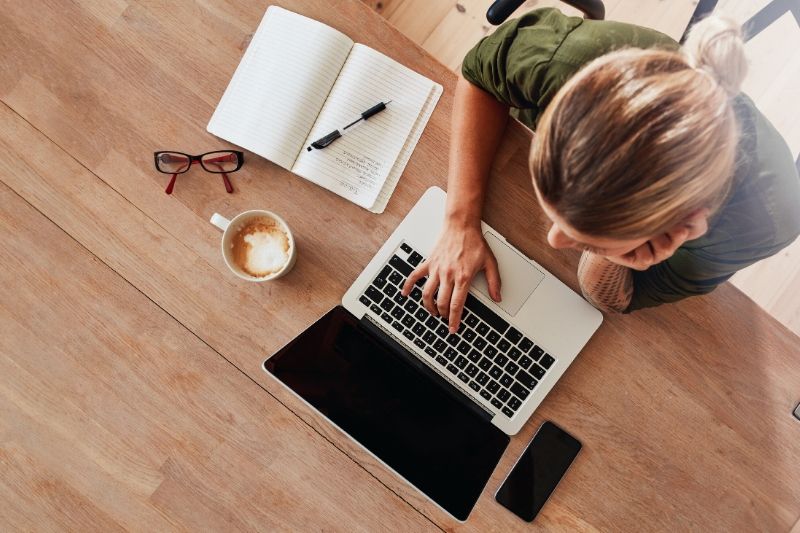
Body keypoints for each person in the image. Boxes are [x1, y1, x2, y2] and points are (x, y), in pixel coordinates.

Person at [401, 9, 800, 334]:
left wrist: (618, 260)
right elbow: (480, 74)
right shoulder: (571, 62)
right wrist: (459, 221)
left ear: (686, 227)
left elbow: (610, 299)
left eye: (588, 240)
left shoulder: (760, 225)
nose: (555, 239)